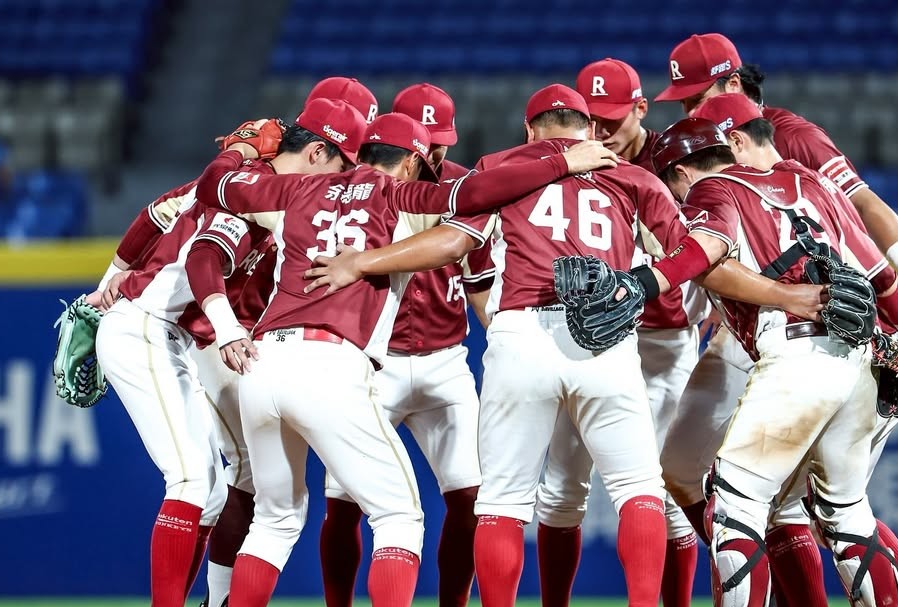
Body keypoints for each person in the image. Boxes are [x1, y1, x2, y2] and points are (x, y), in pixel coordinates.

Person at [299, 85, 827, 607]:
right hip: (607, 337)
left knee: (503, 503)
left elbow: (454, 242)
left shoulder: (499, 167)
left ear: (529, 130)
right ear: (590, 129)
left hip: (521, 334)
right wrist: (673, 287)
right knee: (639, 490)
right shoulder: (633, 176)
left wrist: (360, 262)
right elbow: (699, 252)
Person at [189, 110, 620, 607]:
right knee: (398, 519)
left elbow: (214, 186)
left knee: (274, 520)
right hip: (330, 364)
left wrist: (241, 151)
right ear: (412, 164)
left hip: (264, 363)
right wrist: (562, 163)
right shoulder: (400, 196)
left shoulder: (297, 190)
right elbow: (480, 192)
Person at [654, 33, 898, 607]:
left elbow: (706, 253)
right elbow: (873, 267)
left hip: (793, 346)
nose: (688, 112)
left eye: (695, 99)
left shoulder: (734, 173)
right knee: (840, 509)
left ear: (732, 113)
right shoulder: (806, 181)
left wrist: (643, 282)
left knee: (740, 503)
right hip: (845, 350)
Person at [92, 98, 363, 607]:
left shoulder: (246, 177)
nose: (343, 182)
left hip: (169, 334)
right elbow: (203, 258)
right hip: (145, 327)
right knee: (192, 480)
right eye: (341, 167)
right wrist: (227, 328)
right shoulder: (254, 187)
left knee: (213, 492)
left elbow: (158, 212)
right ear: (315, 153)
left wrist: (109, 279)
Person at [529, 58, 704, 607]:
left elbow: (711, 245)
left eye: (613, 117)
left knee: (664, 488)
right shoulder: (562, 162)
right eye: (594, 118)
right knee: (561, 487)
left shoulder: (676, 158)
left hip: (664, 342)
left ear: (641, 108)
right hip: (588, 341)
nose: (602, 130)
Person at [317, 82, 493, 607]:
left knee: (471, 497)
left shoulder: (461, 187)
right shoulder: (356, 189)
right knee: (343, 501)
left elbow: (480, 281)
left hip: (446, 358)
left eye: (443, 142)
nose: (437, 153)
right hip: (374, 362)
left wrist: (502, 342)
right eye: (428, 143)